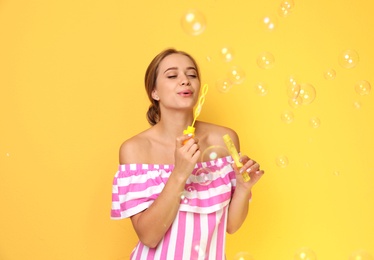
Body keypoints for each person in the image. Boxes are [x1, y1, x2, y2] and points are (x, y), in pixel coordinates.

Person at [111, 48, 264, 259]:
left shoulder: (224, 139)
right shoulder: (136, 149)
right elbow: (149, 236)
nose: (185, 80)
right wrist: (180, 172)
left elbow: (231, 225)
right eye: (172, 75)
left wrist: (244, 188)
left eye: (191, 75)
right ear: (154, 92)